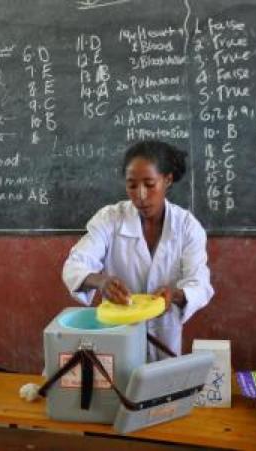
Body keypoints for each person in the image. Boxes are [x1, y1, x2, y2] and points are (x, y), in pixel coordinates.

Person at [62, 140, 214, 361]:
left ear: (167, 180)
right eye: (132, 185)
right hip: (117, 336)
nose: (141, 195)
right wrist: (101, 282)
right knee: (121, 387)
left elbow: (199, 283)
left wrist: (174, 295)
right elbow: (75, 265)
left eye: (150, 184)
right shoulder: (110, 219)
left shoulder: (187, 227)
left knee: (162, 388)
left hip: (164, 335)